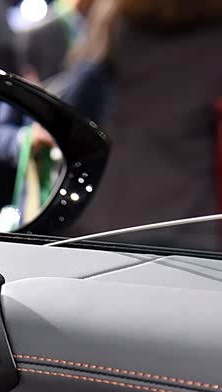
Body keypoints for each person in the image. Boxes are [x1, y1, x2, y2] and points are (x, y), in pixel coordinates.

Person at [62, 0, 222, 249]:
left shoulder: (117, 20)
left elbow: (77, 98)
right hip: (189, 213)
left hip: (111, 210)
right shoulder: (214, 34)